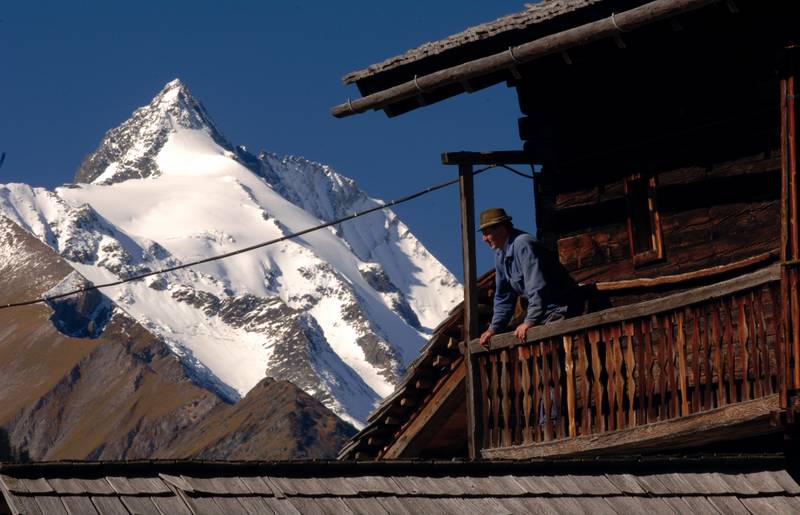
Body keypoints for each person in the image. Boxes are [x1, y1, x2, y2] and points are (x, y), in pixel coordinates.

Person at [478, 208, 568, 348]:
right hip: (542, 315)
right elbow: (503, 296)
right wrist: (494, 328)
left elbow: (537, 286)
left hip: (559, 310)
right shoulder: (500, 255)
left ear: (501, 228)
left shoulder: (523, 244)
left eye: (486, 233)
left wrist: (529, 321)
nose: (484, 239)